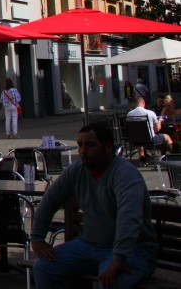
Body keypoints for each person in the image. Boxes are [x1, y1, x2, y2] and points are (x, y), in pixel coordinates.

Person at [31, 123, 157, 288]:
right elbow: (50, 200)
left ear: (108, 147)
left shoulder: (125, 174)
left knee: (112, 282)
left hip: (132, 250)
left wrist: (118, 258)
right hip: (88, 244)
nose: (83, 151)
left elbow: (129, 217)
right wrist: (37, 238)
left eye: (90, 145)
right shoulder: (77, 169)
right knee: (43, 268)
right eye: (80, 145)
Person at [126, 96, 172, 163]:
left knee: (140, 135)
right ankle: (174, 155)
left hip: (135, 140)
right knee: (167, 137)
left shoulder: (129, 114)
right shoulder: (150, 113)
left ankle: (142, 156)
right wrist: (160, 121)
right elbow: (157, 129)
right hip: (150, 140)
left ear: (135, 104)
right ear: (143, 102)